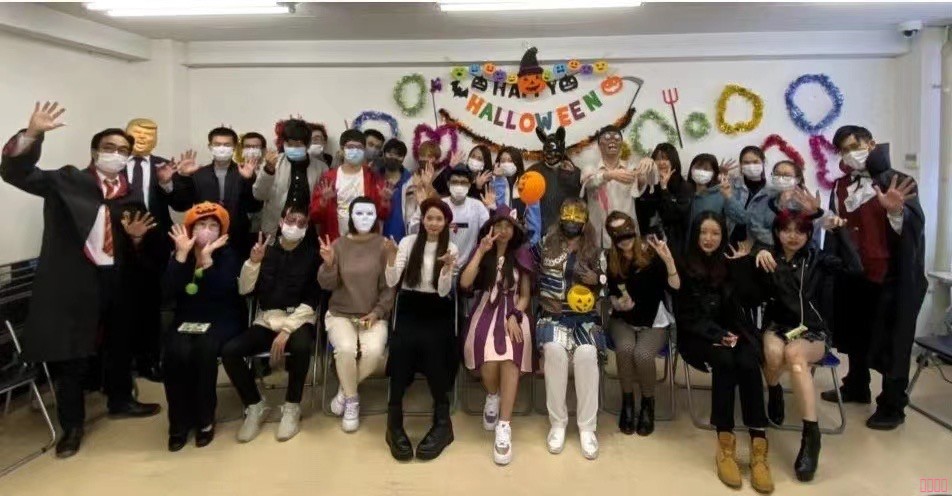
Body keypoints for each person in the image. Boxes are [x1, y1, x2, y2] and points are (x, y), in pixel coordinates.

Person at [0, 102, 162, 458]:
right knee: (72, 355)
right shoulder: (66, 181)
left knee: (119, 344)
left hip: (116, 279)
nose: (116, 155)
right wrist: (32, 134)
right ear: (94, 152)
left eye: (123, 150)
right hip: (74, 281)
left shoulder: (130, 194)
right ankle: (71, 427)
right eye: (110, 148)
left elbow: (137, 242)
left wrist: (136, 240)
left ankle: (121, 400)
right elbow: (15, 172)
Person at [736, 209, 859, 482]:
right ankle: (774, 390)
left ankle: (811, 436)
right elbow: (747, 295)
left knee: (793, 354)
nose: (793, 236)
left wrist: (840, 232)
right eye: (786, 230)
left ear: (808, 234)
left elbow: (854, 269)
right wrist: (753, 257)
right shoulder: (769, 257)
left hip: (812, 331)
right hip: (778, 327)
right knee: (773, 353)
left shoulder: (816, 259)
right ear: (777, 232)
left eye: (800, 231)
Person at [820, 125, 926, 430]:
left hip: (892, 277)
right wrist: (830, 223)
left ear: (871, 144)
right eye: (843, 150)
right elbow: (841, 225)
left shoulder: (899, 181)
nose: (850, 154)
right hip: (854, 274)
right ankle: (856, 386)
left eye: (855, 146)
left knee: (894, 341)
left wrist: (896, 212)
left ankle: (892, 405)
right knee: (855, 333)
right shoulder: (840, 186)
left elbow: (914, 229)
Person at [675, 212, 771, 493]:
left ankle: (758, 445)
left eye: (715, 233)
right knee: (724, 360)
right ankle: (725, 442)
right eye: (704, 232)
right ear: (696, 234)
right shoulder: (684, 263)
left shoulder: (730, 260)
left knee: (749, 361)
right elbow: (685, 315)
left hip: (733, 331)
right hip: (697, 335)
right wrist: (716, 336)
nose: (709, 238)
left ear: (723, 236)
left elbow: (752, 299)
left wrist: (742, 266)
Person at [223, 205, 319, 443]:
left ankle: (292, 406)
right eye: (291, 220)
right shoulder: (265, 251)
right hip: (267, 319)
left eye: (301, 223)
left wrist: (287, 330)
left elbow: (312, 300)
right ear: (281, 222)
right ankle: (255, 405)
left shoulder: (312, 255)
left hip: (299, 319)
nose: (295, 226)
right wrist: (253, 263)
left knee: (301, 347)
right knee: (230, 351)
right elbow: (244, 290)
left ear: (306, 228)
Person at [162, 202, 244, 451]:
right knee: (174, 351)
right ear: (191, 228)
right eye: (201, 225)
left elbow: (225, 291)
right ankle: (178, 423)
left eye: (212, 226)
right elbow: (168, 292)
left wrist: (208, 261)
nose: (207, 230)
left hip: (221, 318)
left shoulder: (228, 255)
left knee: (204, 350)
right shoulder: (182, 252)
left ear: (221, 231)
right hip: (186, 318)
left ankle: (205, 419)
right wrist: (180, 256)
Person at [383, 198, 459, 461]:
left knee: (434, 351)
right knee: (401, 349)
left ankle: (443, 423)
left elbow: (444, 291)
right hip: (409, 307)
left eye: (439, 219)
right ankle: (394, 422)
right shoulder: (407, 242)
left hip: (437, 309)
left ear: (446, 222)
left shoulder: (451, 247)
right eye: (430, 218)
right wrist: (391, 257)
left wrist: (447, 267)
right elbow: (392, 281)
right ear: (422, 220)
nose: (434, 223)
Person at [459, 206, 534, 466]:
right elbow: (465, 283)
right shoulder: (484, 251)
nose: (503, 231)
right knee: (488, 361)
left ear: (514, 230)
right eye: (499, 225)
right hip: (485, 310)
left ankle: (504, 425)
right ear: (491, 228)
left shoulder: (521, 254)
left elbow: (525, 295)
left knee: (511, 357)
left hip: (513, 312)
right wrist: (481, 251)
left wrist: (515, 315)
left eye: (508, 226)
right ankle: (492, 395)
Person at [534, 198, 604, 460]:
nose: (572, 221)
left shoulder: (595, 251)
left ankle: (587, 427)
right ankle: (558, 423)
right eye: (568, 216)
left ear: (585, 221)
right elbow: (525, 265)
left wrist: (598, 280)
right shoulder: (546, 244)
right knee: (554, 351)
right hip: (552, 317)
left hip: (585, 318)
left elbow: (608, 284)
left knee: (587, 354)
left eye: (578, 217)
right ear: (561, 217)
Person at [318, 198, 394, 433]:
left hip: (372, 315)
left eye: (369, 213)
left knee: (373, 353)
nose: (364, 218)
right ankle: (352, 401)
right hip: (341, 314)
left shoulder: (383, 245)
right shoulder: (338, 245)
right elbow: (326, 284)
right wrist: (329, 265)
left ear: (376, 217)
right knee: (346, 349)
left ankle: (344, 390)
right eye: (358, 213)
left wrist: (377, 312)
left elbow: (389, 287)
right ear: (350, 216)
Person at [604, 211, 679, 437]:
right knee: (625, 349)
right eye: (617, 235)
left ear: (634, 229)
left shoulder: (652, 253)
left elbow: (675, 287)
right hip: (624, 319)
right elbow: (611, 293)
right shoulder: (611, 259)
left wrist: (669, 261)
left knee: (643, 355)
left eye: (626, 232)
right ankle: (627, 402)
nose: (624, 239)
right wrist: (618, 303)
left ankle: (648, 403)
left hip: (653, 319)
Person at [124, 117, 178, 381]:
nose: (143, 139)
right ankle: (120, 364)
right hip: (118, 242)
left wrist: (168, 183)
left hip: (154, 245)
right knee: (119, 304)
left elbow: (181, 202)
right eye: (138, 133)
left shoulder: (163, 165)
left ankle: (150, 360)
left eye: (150, 135)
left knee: (151, 304)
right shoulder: (113, 165)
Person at [170, 126, 263, 255]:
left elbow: (254, 207)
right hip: (204, 239)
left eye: (227, 145)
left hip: (237, 240)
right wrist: (184, 177)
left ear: (234, 147)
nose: (222, 148)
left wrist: (249, 180)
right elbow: (181, 206)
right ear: (210, 146)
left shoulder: (244, 172)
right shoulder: (199, 174)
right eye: (217, 144)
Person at [309, 129, 391, 242]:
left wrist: (385, 202)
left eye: (359, 147)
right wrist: (323, 201)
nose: (355, 151)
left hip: (365, 240)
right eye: (351, 147)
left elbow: (382, 215)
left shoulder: (373, 178)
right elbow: (315, 216)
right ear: (342, 149)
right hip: (335, 240)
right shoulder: (329, 177)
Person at [582, 125, 655, 246]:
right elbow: (588, 183)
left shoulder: (631, 168)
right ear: (600, 145)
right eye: (607, 137)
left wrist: (650, 163)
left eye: (616, 138)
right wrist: (608, 175)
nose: (612, 140)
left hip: (627, 235)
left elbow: (649, 182)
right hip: (599, 238)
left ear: (621, 144)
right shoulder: (590, 169)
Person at [253, 119, 328, 237]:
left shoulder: (321, 168)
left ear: (307, 144)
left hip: (306, 230)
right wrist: (268, 171)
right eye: (289, 144)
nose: (293, 148)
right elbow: (259, 195)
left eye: (298, 145)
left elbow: (321, 204)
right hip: (275, 229)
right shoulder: (274, 163)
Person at [410, 165, 489, 268]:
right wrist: (421, 207)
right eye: (455, 182)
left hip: (466, 268)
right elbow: (414, 230)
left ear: (469, 185)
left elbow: (488, 232)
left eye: (463, 183)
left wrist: (491, 208)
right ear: (448, 184)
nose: (459, 186)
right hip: (439, 264)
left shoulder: (478, 207)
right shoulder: (439, 205)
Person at [679, 153, 748, 252]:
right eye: (698, 167)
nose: (701, 172)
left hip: (713, 250)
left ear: (714, 173)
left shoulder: (720, 194)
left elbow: (742, 218)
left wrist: (729, 196)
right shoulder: (683, 193)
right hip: (686, 250)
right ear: (691, 170)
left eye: (706, 169)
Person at [522, 126, 581, 237]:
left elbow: (579, 200)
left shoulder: (574, 171)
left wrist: (572, 176)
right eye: (547, 153)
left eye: (554, 153)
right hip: (538, 232)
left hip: (568, 232)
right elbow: (523, 200)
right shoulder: (533, 172)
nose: (550, 157)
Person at [640, 143, 691, 256]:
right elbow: (642, 213)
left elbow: (673, 215)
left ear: (674, 161)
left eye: (666, 159)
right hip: (649, 242)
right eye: (658, 159)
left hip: (674, 243)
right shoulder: (650, 184)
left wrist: (664, 188)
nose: (661, 162)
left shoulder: (684, 186)